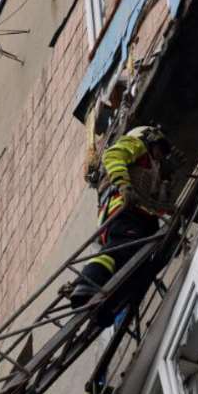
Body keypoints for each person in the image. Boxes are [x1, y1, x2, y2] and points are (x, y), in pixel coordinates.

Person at [65, 125, 174, 317]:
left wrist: (166, 186)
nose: (160, 155)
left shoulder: (152, 172)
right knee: (122, 247)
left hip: (141, 220)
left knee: (136, 265)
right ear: (147, 138)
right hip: (124, 212)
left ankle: (109, 306)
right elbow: (112, 156)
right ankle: (86, 283)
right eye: (159, 148)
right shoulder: (136, 145)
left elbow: (157, 206)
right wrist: (124, 185)